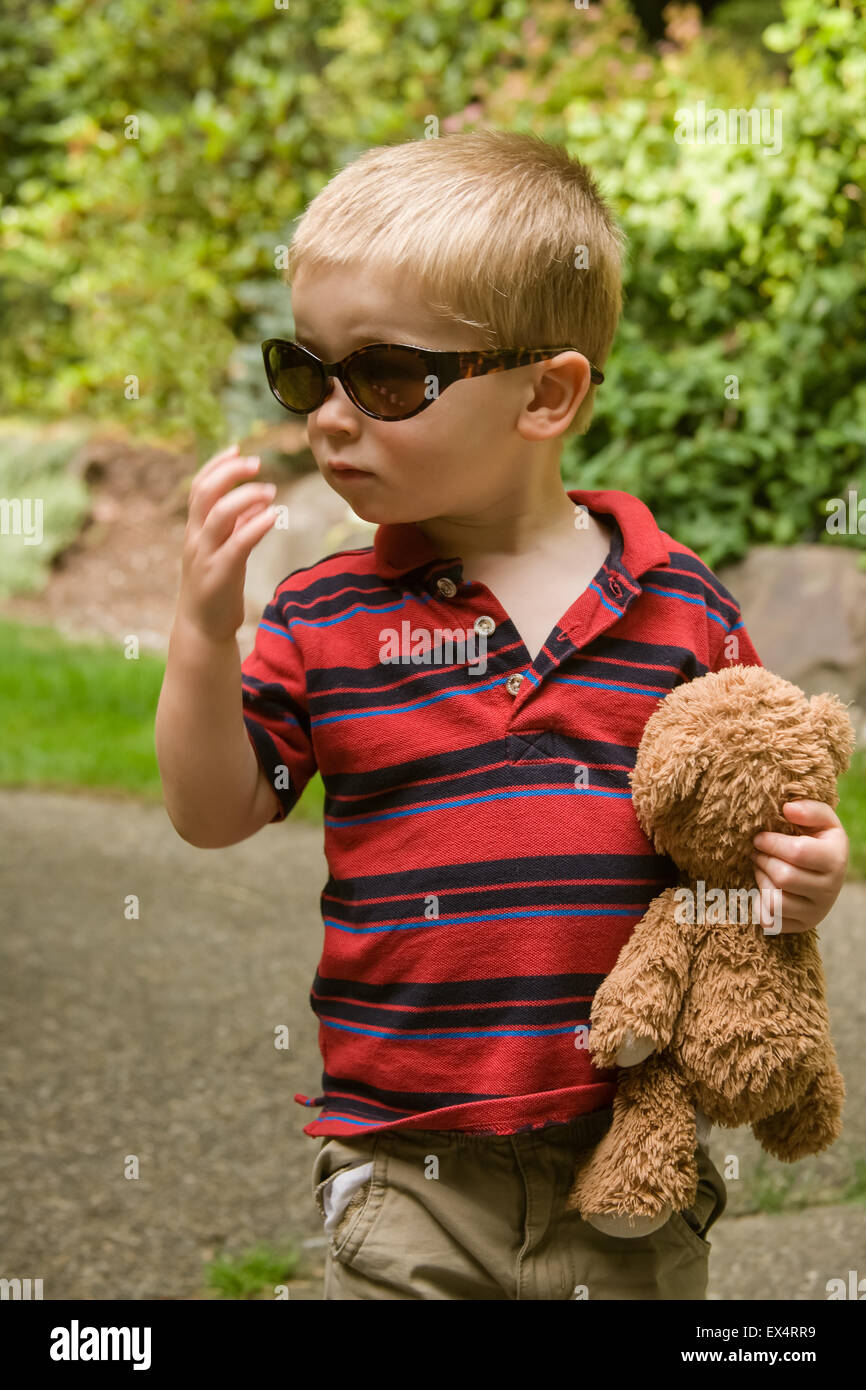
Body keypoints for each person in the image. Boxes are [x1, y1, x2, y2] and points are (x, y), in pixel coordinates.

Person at [154, 130, 851, 1300]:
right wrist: (196, 638)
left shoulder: (682, 610)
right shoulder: (323, 614)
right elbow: (213, 810)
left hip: (631, 1148)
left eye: (382, 377)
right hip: (406, 1162)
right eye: (304, 369)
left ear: (545, 393)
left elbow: (747, 829)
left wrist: (803, 873)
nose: (329, 416)